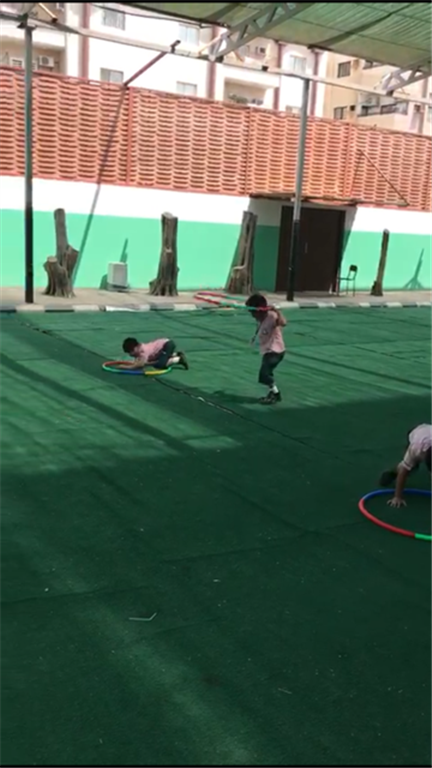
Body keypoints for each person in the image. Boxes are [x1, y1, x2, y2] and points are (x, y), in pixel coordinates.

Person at [245, 293, 286, 405]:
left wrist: (277, 311)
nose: (252, 315)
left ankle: (276, 394)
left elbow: (283, 323)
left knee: (265, 374)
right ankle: (273, 392)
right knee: (266, 374)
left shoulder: (271, 316)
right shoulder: (261, 318)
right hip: (268, 351)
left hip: (275, 351)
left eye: (252, 312)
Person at [379, 423, 432, 507]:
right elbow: (404, 471)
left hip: (427, 434)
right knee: (410, 468)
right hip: (416, 433)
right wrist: (397, 497)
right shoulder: (416, 449)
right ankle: (393, 472)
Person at [121, 337, 189, 371]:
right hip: (162, 348)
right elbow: (139, 361)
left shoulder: (143, 352)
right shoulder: (139, 349)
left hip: (167, 345)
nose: (130, 354)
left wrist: (124, 367)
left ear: (137, 347)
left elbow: (140, 365)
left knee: (160, 365)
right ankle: (175, 354)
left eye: (131, 351)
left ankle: (178, 359)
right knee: (154, 360)